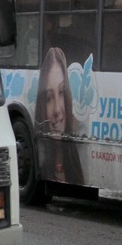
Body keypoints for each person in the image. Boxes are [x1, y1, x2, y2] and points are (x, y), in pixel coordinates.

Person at [34, 46, 83, 184]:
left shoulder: (78, 158)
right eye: (49, 98)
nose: (57, 110)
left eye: (61, 92)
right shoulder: (40, 162)